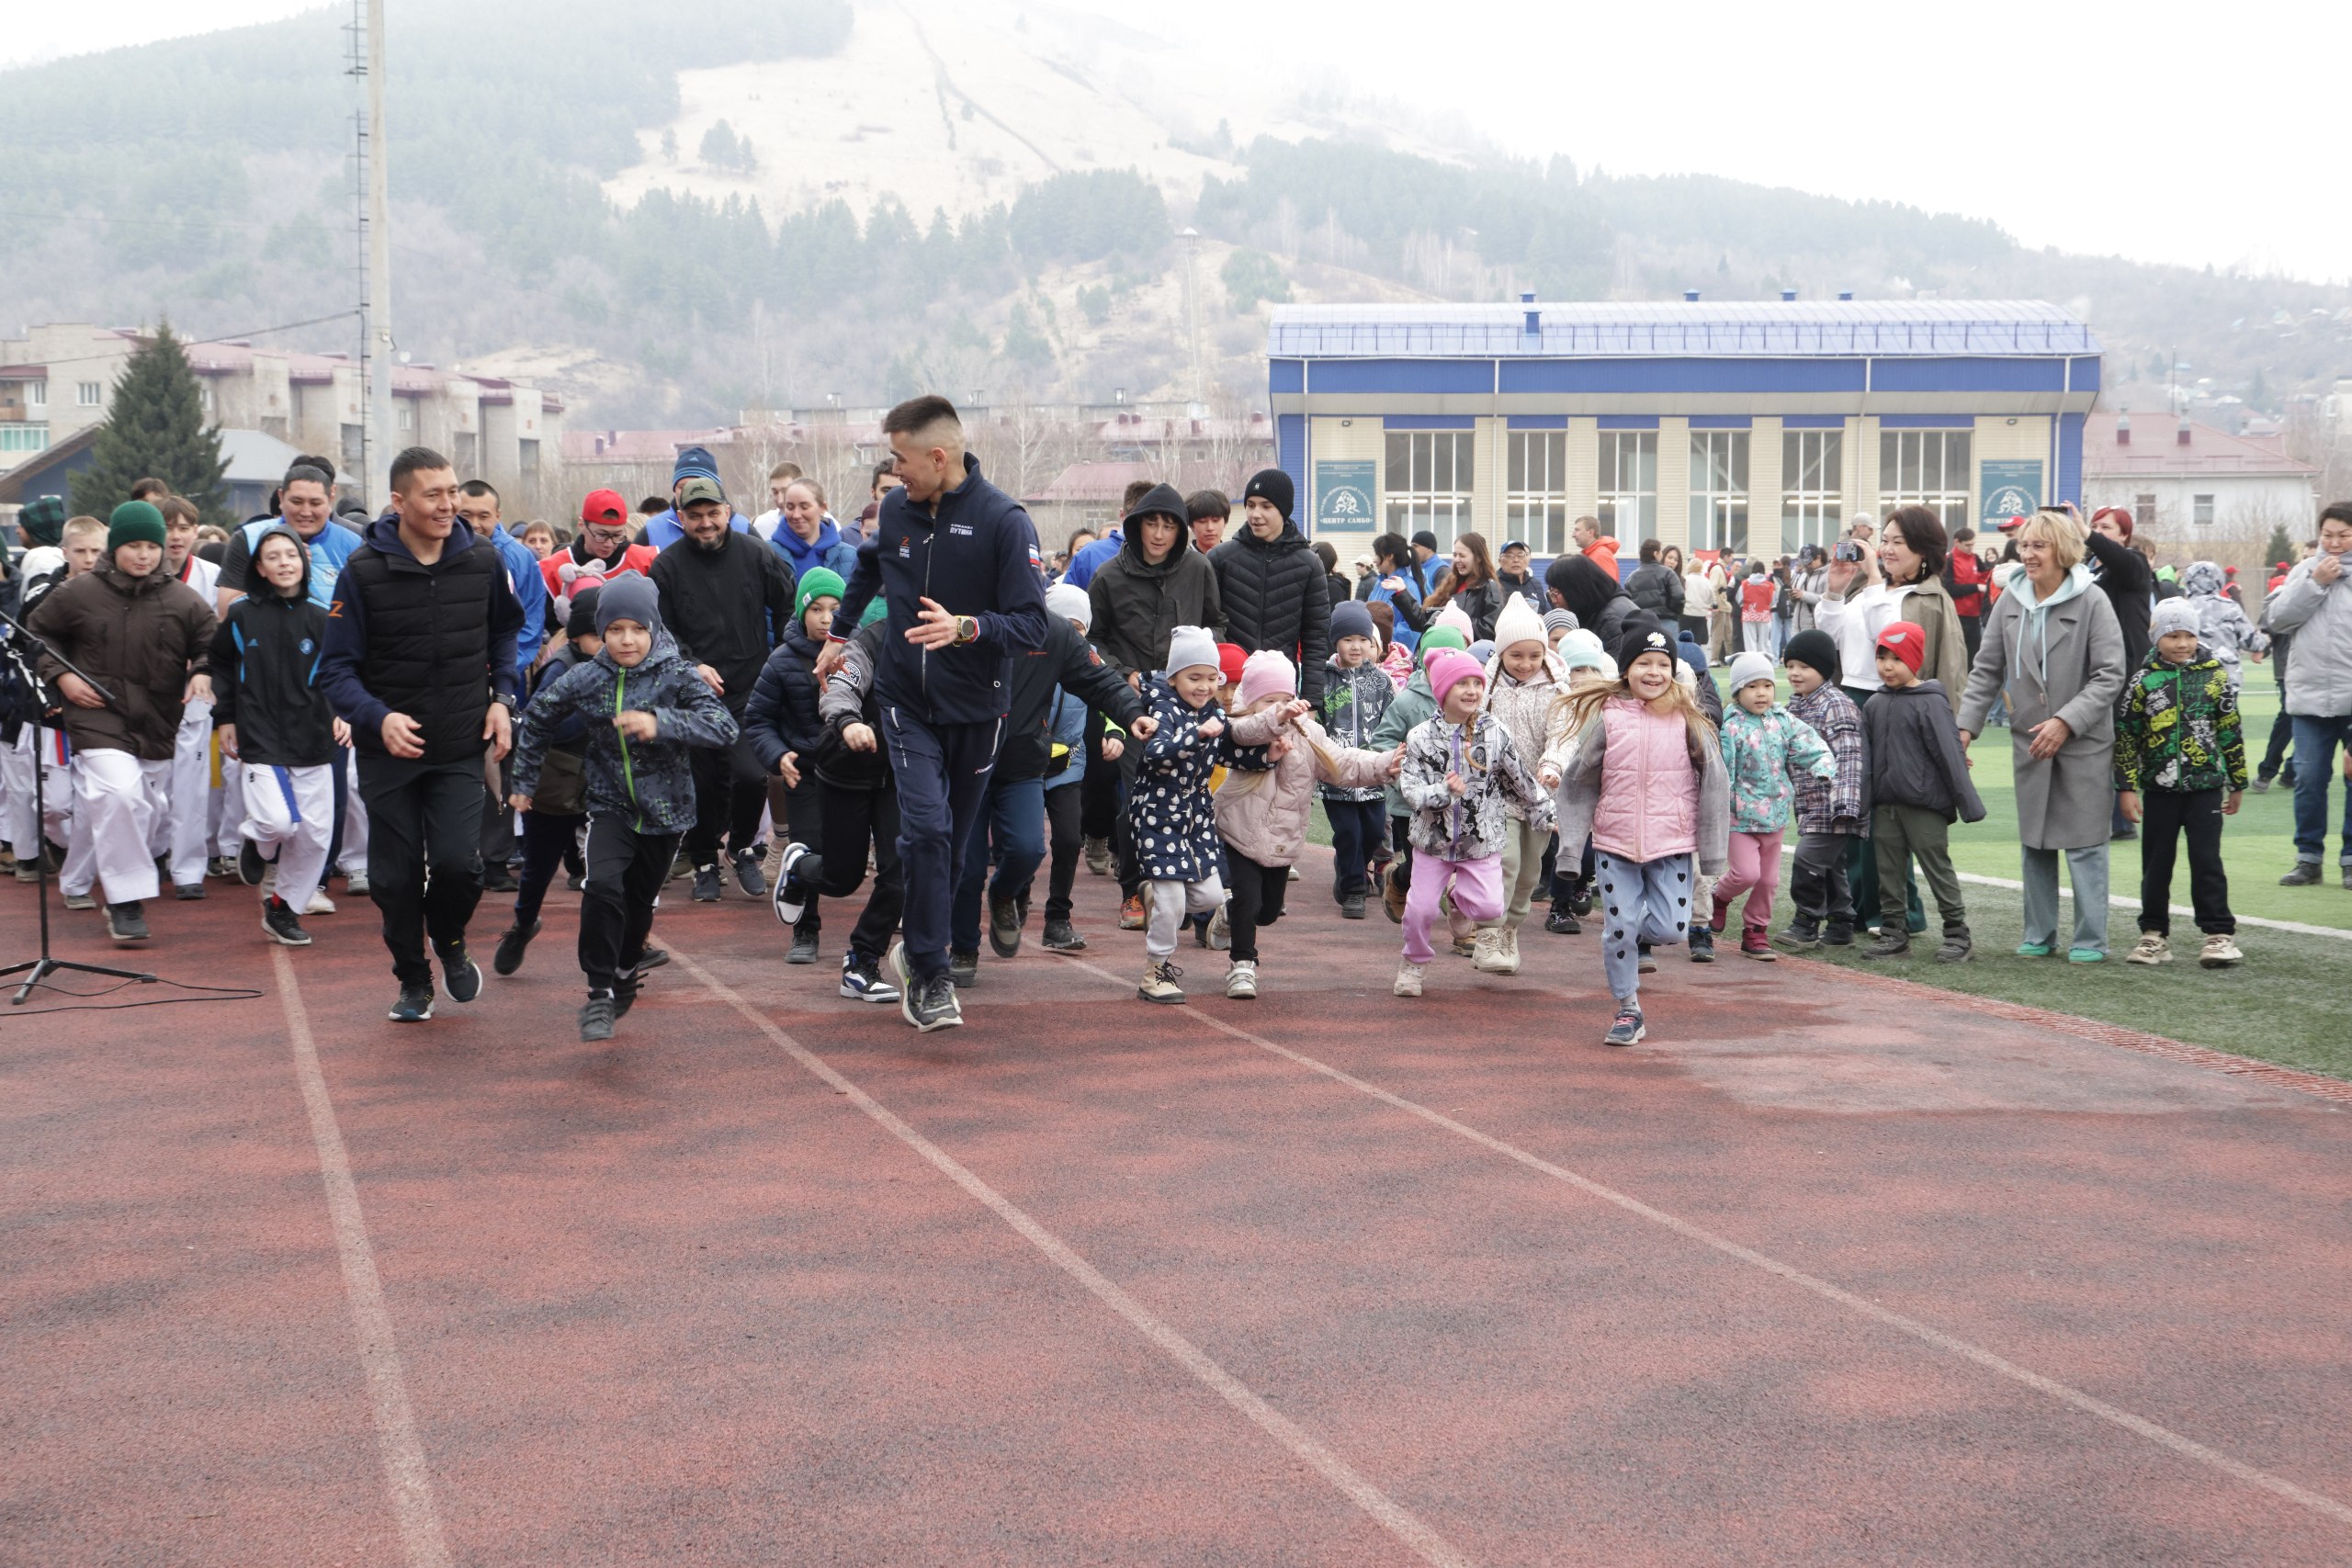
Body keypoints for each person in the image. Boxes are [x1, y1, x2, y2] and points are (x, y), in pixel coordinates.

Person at [817, 395, 1049, 1032]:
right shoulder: (895, 510)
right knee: (926, 831)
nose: (894, 471)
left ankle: (914, 947)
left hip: (978, 709)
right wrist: (838, 637)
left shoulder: (1006, 521)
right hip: (904, 702)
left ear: (938, 456)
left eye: (900, 458)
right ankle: (930, 970)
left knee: (950, 851)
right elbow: (866, 571)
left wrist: (968, 626)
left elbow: (1034, 626)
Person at [318, 446, 526, 1021]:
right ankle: (413, 978)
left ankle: (451, 940)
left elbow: (506, 635)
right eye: (433, 494)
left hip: (459, 745)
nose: (448, 504)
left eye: (452, 491)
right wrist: (377, 716)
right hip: (388, 752)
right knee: (394, 876)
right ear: (399, 501)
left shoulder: (482, 560)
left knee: (462, 864)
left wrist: (503, 699)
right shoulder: (362, 572)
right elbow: (334, 670)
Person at [508, 576, 739, 1041]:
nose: (626, 639)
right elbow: (536, 717)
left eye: (636, 628)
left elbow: (724, 727)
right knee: (602, 887)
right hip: (609, 804)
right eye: (615, 630)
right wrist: (524, 781)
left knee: (637, 905)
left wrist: (662, 722)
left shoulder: (676, 674)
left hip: (667, 813)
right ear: (601, 632)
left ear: (653, 628)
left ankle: (626, 967)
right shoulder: (587, 676)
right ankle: (598, 992)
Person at [26, 502, 219, 943]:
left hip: (156, 723)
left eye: (152, 546)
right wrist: (63, 677)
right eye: (134, 545)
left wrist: (203, 669)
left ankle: (77, 873)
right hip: (97, 716)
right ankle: (125, 902)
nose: (145, 554)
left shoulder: (182, 599)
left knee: (144, 811)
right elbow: (36, 634)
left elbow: (212, 642)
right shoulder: (80, 592)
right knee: (119, 794)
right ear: (116, 546)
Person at [943, 570, 1146, 984]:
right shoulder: (962, 625)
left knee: (1028, 849)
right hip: (966, 763)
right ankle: (964, 948)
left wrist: (1131, 713)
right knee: (966, 864)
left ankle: (1004, 894)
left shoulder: (1054, 633)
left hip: (1021, 765)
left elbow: (1102, 679)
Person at [1548, 616, 1730, 1046]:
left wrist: (1713, 851)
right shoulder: (1608, 718)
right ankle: (1628, 1008)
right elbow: (1577, 784)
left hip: (1672, 843)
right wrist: (1572, 849)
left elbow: (1716, 782)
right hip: (1615, 843)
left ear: (1673, 671)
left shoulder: (1689, 719)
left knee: (1672, 929)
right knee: (1620, 926)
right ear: (1626, 669)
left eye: (1662, 664)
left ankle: (1626, 932)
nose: (1654, 672)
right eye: (1644, 663)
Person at [1957, 507, 2127, 962]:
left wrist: (2066, 721)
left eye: (2038, 546)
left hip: (2083, 739)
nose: (2027, 555)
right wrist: (1965, 727)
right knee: (2035, 839)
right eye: (2024, 546)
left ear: (2063, 551)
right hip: (2029, 739)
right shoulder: (2010, 599)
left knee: (2086, 842)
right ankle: (2039, 933)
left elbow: (2110, 675)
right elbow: (1986, 668)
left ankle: (2091, 939)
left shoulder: (2093, 601)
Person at [1208, 650, 1395, 998]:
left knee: (1266, 912)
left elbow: (1343, 762)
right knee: (1248, 898)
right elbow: (1247, 730)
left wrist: (1384, 764)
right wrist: (1276, 716)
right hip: (1238, 830)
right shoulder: (1240, 728)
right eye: (1268, 700)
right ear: (1252, 701)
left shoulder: (1309, 734)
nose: (1280, 707)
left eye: (1284, 698)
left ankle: (1228, 914)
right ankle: (1242, 965)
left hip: (1281, 839)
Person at [653, 473, 799, 902]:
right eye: (695, 516)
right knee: (701, 782)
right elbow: (660, 631)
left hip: (751, 688)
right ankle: (703, 860)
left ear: (728, 513)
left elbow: (790, 604)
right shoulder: (667, 566)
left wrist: (781, 656)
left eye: (713, 514)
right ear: (682, 518)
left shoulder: (757, 554)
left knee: (752, 777)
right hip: (693, 693)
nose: (705, 523)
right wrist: (692, 664)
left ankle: (740, 848)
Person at [1086, 481, 1224, 930]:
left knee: (1192, 797)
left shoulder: (1198, 566)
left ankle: (1196, 901)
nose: (1160, 534)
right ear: (1135, 524)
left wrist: (1205, 669)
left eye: (1169, 525)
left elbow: (1214, 623)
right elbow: (1095, 638)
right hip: (1133, 702)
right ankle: (1133, 890)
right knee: (1138, 797)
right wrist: (1121, 673)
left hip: (1191, 700)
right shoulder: (1108, 575)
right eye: (1152, 523)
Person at [212, 524, 348, 946]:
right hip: (260, 736)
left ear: (304, 562)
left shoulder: (322, 617)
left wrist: (344, 712)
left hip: (313, 738)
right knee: (275, 821)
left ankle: (283, 909)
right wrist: (225, 718)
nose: (284, 563)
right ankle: (257, 842)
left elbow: (340, 672)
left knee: (315, 835)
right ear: (260, 568)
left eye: (290, 555)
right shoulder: (241, 615)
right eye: (273, 557)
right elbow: (219, 666)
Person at [767, 598, 904, 1002]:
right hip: (847, 767)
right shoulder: (871, 641)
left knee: (900, 872)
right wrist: (849, 722)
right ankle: (799, 868)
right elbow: (839, 687)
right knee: (843, 880)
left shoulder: (952, 646)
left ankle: (862, 962)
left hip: (901, 776)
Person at [1389, 647, 1546, 998]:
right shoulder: (1420, 738)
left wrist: (1541, 807)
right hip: (1433, 842)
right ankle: (1413, 963)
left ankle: (1458, 900)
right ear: (1443, 691)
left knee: (1491, 908)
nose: (1472, 690)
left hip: (1480, 842)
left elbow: (1519, 777)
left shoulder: (1494, 733)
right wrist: (1444, 792)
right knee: (1420, 911)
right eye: (1462, 683)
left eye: (1477, 682)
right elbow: (1411, 789)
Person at [1128, 626, 1258, 1003]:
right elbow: (1157, 754)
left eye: (1211, 678)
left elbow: (1227, 754)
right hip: (1157, 812)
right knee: (1172, 904)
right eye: (1193, 677)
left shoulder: (1214, 712)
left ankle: (1153, 893)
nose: (1204, 686)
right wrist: (1196, 735)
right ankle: (1156, 971)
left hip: (1196, 815)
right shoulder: (1161, 709)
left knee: (1209, 896)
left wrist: (1267, 757)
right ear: (1173, 678)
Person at [2117, 598, 2245, 967]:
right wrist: (2126, 788)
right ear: (2157, 637)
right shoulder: (2143, 682)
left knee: (2207, 860)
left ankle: (2218, 935)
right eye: (2172, 635)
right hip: (2159, 791)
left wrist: (2237, 783)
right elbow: (2126, 736)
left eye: (2188, 634)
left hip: (2206, 788)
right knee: (2156, 863)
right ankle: (2154, 935)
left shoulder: (2215, 676)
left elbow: (2229, 730)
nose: (2182, 643)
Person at [492, 588, 602, 978]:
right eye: (600, 635)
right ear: (575, 636)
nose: (611, 642)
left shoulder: (619, 666)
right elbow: (539, 727)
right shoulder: (561, 669)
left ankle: (629, 942)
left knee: (609, 868)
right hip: (556, 782)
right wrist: (592, 713)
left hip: (601, 783)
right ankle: (522, 926)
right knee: (538, 869)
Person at [1860, 623, 1984, 962]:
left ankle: (1958, 933)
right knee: (1889, 871)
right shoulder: (1874, 704)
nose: (1887, 666)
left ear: (1914, 660)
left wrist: (1968, 804)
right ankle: (1893, 933)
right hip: (1886, 805)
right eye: (1882, 657)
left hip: (1925, 805)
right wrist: (1863, 805)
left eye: (1896, 658)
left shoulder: (1930, 701)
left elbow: (1950, 754)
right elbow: (1866, 759)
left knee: (1936, 866)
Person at [741, 567, 842, 958]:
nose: (827, 618)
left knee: (846, 862)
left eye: (835, 608)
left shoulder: (859, 654)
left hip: (852, 773)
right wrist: (779, 755)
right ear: (802, 612)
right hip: (806, 771)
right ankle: (805, 931)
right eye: (816, 608)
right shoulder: (781, 661)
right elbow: (759, 719)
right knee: (808, 845)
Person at [455, 480, 551, 892]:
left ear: (498, 516)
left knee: (501, 765)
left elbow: (529, 621)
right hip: (456, 679)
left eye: (484, 516)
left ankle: (495, 859)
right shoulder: (443, 552)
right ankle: (458, 856)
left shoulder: (518, 559)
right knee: (458, 769)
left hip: (505, 680)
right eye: (466, 516)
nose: (475, 525)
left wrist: (506, 671)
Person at [1710, 649, 1835, 960]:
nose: (1761, 693)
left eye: (1767, 685)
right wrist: (1719, 804)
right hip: (1740, 818)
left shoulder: (1782, 720)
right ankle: (1718, 898)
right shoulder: (1731, 725)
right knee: (1745, 875)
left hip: (1776, 817)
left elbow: (1811, 744)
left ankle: (1755, 931)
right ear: (1738, 691)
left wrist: (1823, 766)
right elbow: (1720, 768)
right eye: (1752, 686)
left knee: (1768, 880)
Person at [2264, 502, 2352, 887]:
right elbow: (2277, 620)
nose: (2334, 543)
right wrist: (2316, 582)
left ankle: (2350, 860)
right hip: (2308, 700)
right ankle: (2308, 858)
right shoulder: (2303, 572)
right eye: (2328, 535)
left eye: (2344, 535)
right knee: (2309, 778)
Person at [1035, 582, 1116, 953]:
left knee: (1068, 839)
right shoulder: (1029, 651)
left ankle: (1057, 919)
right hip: (1023, 760)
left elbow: (1109, 694)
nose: (1072, 634)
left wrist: (1117, 730)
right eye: (1063, 624)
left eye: (1079, 628)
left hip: (1068, 760)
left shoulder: (1091, 659)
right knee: (1024, 845)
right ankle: (1014, 894)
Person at [1776, 629, 1865, 951]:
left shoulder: (1837, 705)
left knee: (1809, 859)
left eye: (1804, 666)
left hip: (1835, 804)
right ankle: (1841, 924)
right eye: (1790, 665)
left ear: (1824, 669)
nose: (1795, 673)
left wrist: (1845, 804)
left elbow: (1850, 756)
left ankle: (1806, 922)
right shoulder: (1794, 705)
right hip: (1809, 803)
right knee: (1831, 865)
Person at [1211, 468, 1331, 704]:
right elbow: (1207, 625)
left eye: (1266, 506)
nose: (1256, 514)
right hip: (1226, 688)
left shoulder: (1309, 565)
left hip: (1279, 690)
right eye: (1251, 505)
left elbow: (1315, 639)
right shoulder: (1220, 558)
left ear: (1283, 510)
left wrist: (1311, 701)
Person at [155, 495, 224, 899]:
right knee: (151, 787)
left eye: (184, 527)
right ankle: (151, 855)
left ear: (195, 532)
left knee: (193, 787)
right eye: (168, 527)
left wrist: (201, 666)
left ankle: (188, 870)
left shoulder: (211, 575)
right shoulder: (141, 573)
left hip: (197, 693)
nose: (176, 536)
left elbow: (220, 635)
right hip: (150, 695)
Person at [1320, 600, 1394, 919]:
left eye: (1364, 640)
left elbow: (1392, 723)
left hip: (1374, 772)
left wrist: (1390, 758)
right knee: (1348, 832)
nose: (1357, 646)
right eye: (1349, 639)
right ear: (1336, 641)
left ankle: (1351, 864)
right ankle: (1353, 888)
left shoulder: (1381, 681)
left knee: (1374, 832)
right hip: (1336, 772)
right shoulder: (1321, 678)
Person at [541, 489, 658, 607]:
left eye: (617, 535)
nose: (609, 544)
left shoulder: (646, 561)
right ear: (581, 525)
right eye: (602, 535)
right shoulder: (551, 569)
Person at [639, 446, 753, 551]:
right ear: (674, 490)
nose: (692, 492)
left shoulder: (743, 528)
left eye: (700, 486)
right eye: (683, 487)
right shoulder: (652, 531)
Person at [2178, 560, 2268, 694]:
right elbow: (2250, 641)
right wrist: (2264, 641)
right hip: (2226, 680)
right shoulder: (2230, 607)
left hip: (2190, 681)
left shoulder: (2181, 608)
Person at [767, 478, 859, 582]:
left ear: (823, 508)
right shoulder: (768, 554)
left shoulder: (850, 556)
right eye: (790, 507)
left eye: (804, 507)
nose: (796, 515)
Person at [1544, 553, 1637, 652]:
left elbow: (1612, 666)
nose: (1554, 600)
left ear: (1576, 589)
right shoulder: (1595, 610)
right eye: (1551, 592)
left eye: (1556, 592)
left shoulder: (1612, 620)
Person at [1355, 533, 1430, 653]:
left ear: (1389, 556)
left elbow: (1411, 632)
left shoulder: (1407, 586)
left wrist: (1379, 636)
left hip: (1394, 658)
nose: (1374, 560)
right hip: (1375, 652)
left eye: (1377, 555)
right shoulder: (1380, 583)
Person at [1947, 527, 1989, 663]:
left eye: (1973, 545)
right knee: (1958, 656)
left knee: (1974, 656)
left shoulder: (1975, 558)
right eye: (1967, 545)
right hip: (1957, 616)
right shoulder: (1949, 560)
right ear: (1957, 542)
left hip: (1975, 615)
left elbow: (1987, 575)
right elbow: (1949, 588)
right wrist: (1975, 587)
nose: (1970, 548)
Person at [1625, 538, 1684, 624]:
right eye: (1661, 552)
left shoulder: (1631, 578)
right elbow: (1678, 597)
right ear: (1655, 554)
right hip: (1665, 621)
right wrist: (1673, 613)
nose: (1662, 555)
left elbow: (1628, 604)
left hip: (1641, 623)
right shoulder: (1668, 573)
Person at [750, 461, 803, 540]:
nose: (780, 500)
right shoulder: (761, 524)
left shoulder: (823, 523)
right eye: (775, 492)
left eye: (785, 491)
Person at [1679, 549, 1717, 649]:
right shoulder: (1707, 581)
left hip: (1686, 612)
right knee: (1697, 640)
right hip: (1701, 614)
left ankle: (1682, 656)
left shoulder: (1685, 579)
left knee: (1682, 638)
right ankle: (1696, 657)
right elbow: (1713, 598)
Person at [1495, 539, 1544, 614]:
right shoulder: (1492, 584)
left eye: (1520, 555)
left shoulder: (1535, 584)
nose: (1516, 560)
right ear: (1500, 561)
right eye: (1510, 556)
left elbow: (1545, 610)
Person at [1572, 514, 1620, 580]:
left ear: (1590, 532)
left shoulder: (1601, 556)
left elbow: (1607, 587)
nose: (1573, 535)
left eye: (1577, 530)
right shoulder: (1592, 554)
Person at [1187, 489, 1228, 555]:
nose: (1210, 528)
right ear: (1191, 525)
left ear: (1225, 522)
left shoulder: (1237, 560)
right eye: (1202, 521)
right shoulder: (1181, 563)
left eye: (1215, 520)